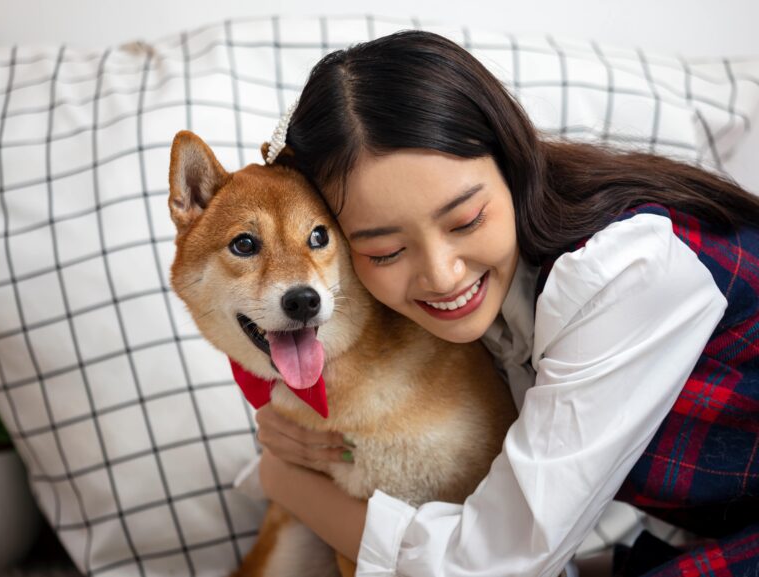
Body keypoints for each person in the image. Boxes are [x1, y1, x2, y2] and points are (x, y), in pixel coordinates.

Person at [253, 30, 759, 577]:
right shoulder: (459, 317)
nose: (442, 276)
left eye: (467, 220)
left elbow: (498, 563)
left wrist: (281, 482)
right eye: (386, 250)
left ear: (511, 162)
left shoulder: (623, 272)